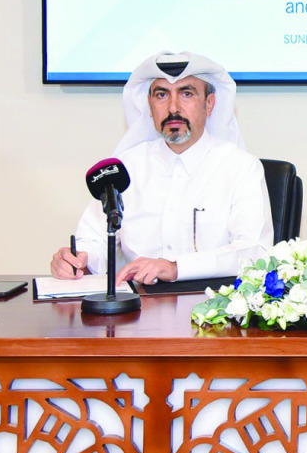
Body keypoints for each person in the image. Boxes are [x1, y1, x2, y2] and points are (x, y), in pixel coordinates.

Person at [49, 51, 274, 284]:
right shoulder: (125, 168)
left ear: (209, 104)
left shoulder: (241, 168)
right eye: (161, 95)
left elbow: (254, 251)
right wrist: (76, 262)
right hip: (137, 310)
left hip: (215, 309)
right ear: (149, 104)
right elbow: (94, 242)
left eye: (186, 93)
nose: (173, 107)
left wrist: (176, 268)